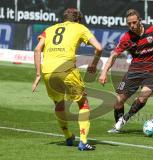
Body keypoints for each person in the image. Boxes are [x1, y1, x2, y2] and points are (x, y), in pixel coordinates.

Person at [32, 8, 102, 150]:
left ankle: (68, 136)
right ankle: (83, 141)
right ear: (78, 20)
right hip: (67, 69)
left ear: (64, 19)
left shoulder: (50, 29)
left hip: (47, 71)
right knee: (83, 103)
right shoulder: (80, 27)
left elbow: (37, 49)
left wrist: (38, 74)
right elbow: (99, 48)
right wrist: (94, 65)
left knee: (59, 103)